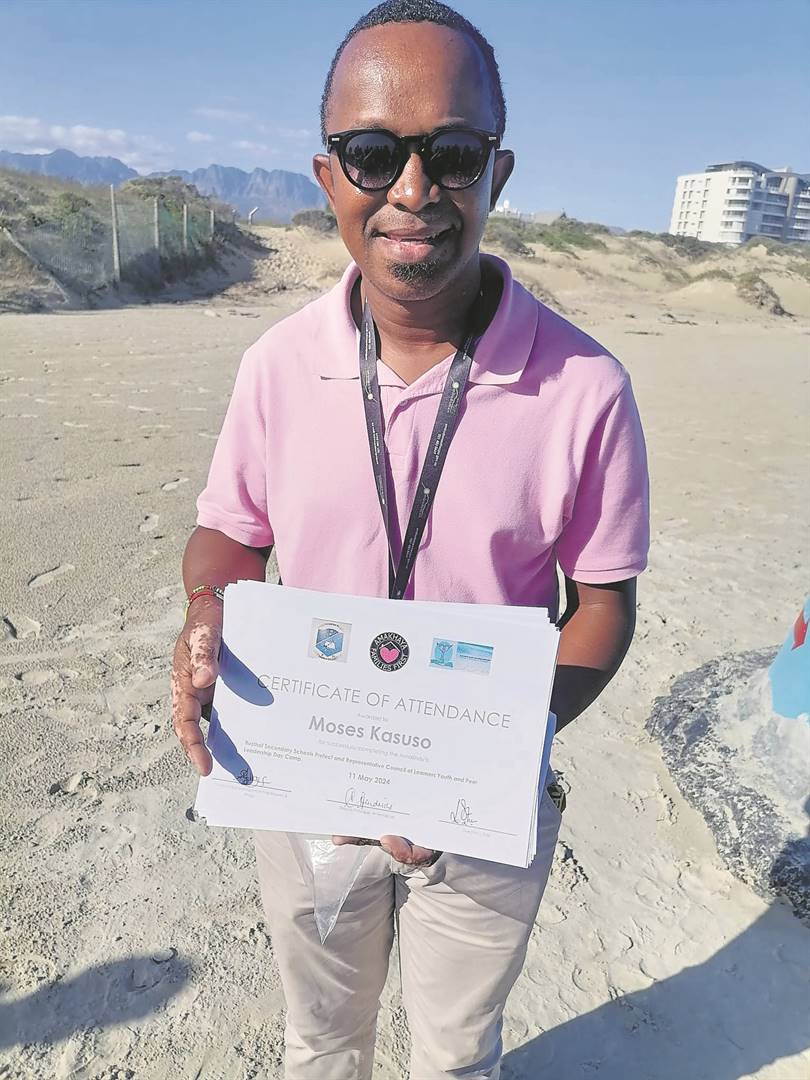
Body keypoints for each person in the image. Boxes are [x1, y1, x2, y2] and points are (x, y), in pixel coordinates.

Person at [170, 1, 650, 1076]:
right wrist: (209, 613)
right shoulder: (276, 366)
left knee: (454, 1056)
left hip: (481, 804)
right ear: (328, 176)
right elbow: (229, 535)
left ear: (498, 173)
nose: (414, 190)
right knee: (321, 1041)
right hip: (308, 790)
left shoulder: (587, 388)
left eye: (455, 154)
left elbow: (603, 604)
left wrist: (497, 746)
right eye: (375, 155)